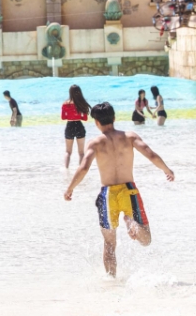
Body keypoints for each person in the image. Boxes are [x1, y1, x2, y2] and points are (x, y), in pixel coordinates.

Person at [64, 102, 174, 277]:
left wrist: (70, 188)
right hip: (129, 191)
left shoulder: (95, 143)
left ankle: (111, 282)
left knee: (109, 244)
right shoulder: (129, 137)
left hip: (107, 195)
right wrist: (167, 170)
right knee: (146, 240)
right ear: (114, 118)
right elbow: (150, 154)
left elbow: (83, 168)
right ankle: (131, 223)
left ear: (96, 122)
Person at [62, 84, 91, 170]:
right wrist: (78, 117)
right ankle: (81, 169)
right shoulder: (82, 103)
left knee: (68, 152)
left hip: (69, 126)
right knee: (81, 153)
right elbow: (85, 118)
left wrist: (71, 116)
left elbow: (63, 117)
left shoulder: (65, 104)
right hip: (79, 126)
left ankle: (66, 169)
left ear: (70, 92)